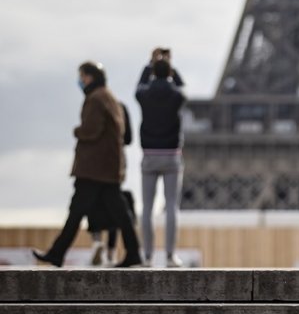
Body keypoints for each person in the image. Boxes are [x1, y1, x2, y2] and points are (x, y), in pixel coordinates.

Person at [32, 61, 142, 268]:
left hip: (94, 169)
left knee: (76, 213)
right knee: (120, 213)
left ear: (90, 77)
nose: (80, 81)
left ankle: (57, 253)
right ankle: (134, 252)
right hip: (107, 168)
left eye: (82, 76)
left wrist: (77, 131)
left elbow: (91, 130)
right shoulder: (109, 97)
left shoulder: (95, 99)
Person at [136, 54, 187, 268]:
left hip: (149, 155)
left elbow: (139, 85)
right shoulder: (177, 96)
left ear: (153, 73)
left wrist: (149, 66)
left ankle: (147, 256)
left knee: (147, 209)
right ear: (171, 73)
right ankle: (169, 255)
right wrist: (172, 70)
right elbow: (181, 86)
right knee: (171, 208)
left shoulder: (143, 95)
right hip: (171, 156)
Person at [86, 102, 134, 266]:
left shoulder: (95, 108)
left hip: (96, 159)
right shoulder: (122, 108)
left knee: (94, 198)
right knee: (115, 202)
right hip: (116, 161)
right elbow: (128, 139)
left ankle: (97, 240)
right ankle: (111, 252)